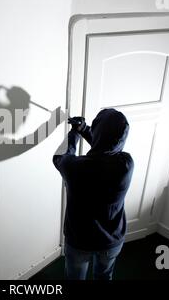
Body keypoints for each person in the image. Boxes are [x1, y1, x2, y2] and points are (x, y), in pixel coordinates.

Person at [53, 108, 134, 280]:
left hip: (79, 241)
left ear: (98, 131)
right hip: (111, 241)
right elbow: (108, 149)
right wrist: (85, 130)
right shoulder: (126, 163)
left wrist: (75, 132)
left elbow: (60, 157)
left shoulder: (75, 167)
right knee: (104, 277)